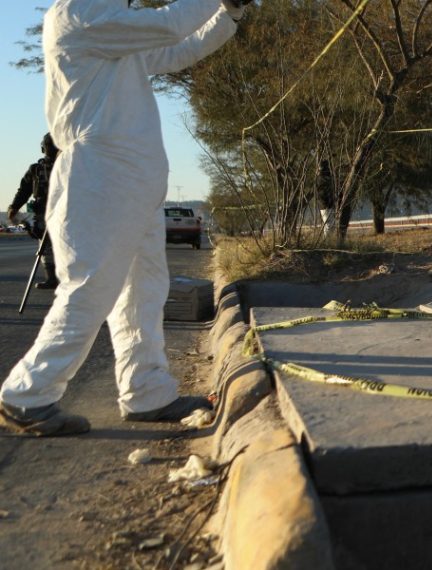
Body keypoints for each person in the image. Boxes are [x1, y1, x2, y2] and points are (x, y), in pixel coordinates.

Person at [0, 0, 250, 437]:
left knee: (143, 290)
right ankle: (27, 395)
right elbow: (170, 26)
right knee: (91, 287)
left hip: (132, 179)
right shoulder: (79, 12)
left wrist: (229, 14)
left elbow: (177, 50)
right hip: (101, 177)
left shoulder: (115, 30)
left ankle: (147, 392)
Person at [8, 133, 60, 289]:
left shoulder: (69, 165)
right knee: (45, 246)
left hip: (67, 211)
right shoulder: (36, 169)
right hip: (43, 213)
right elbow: (24, 190)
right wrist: (14, 207)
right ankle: (52, 278)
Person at [316, 160, 335, 236]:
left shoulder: (324, 177)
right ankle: (327, 242)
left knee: (330, 224)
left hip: (327, 204)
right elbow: (322, 193)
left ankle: (328, 241)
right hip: (325, 204)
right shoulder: (322, 178)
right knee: (328, 224)